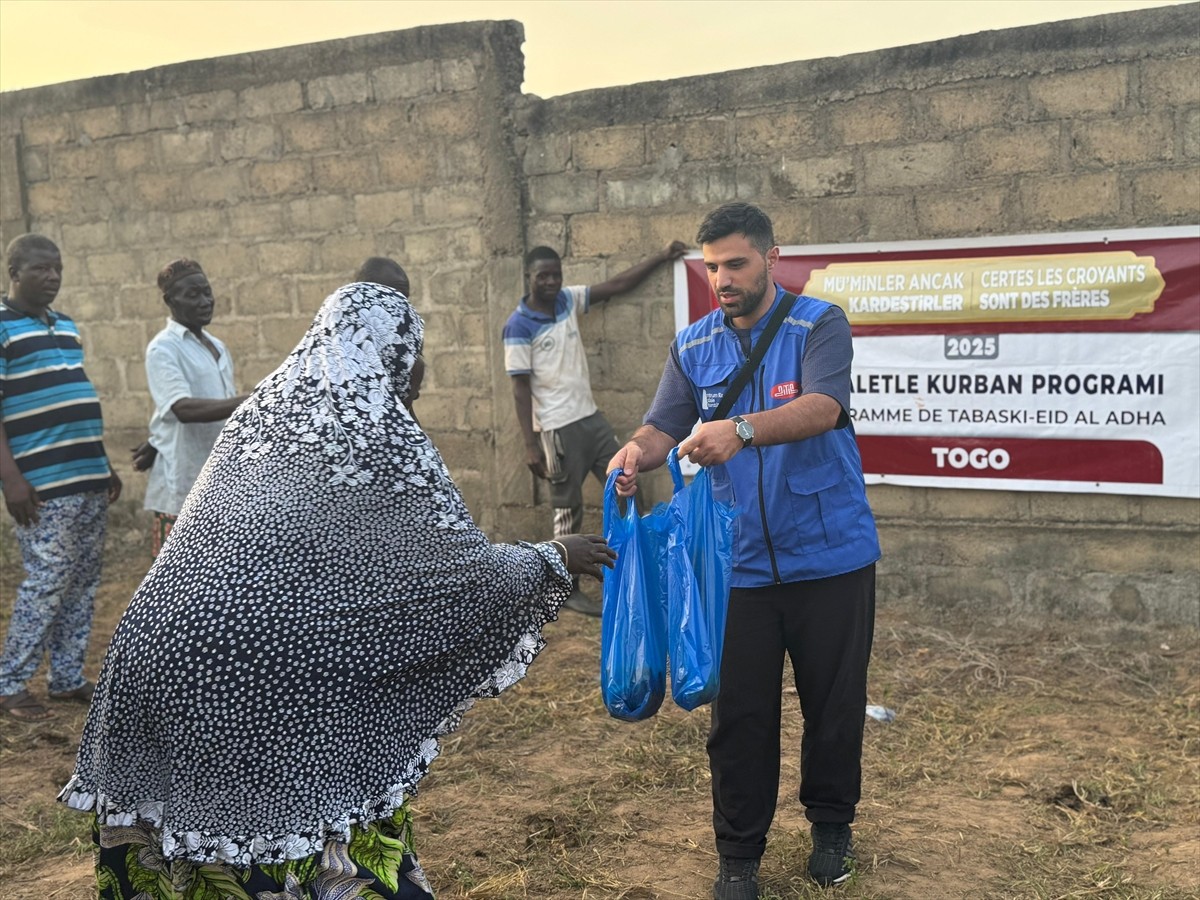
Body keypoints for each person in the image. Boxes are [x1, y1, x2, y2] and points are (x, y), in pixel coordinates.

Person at [60, 280, 615, 899]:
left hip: (149, 655)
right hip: (246, 679)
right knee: (298, 829)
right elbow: (456, 580)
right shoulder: (376, 436)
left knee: (182, 851)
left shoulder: (261, 415)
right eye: (417, 351)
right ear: (394, 354)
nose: (424, 371)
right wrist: (551, 558)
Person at [606, 203, 881, 897]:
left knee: (834, 706)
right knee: (740, 720)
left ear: (771, 257)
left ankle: (831, 830)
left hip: (831, 554)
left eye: (735, 264)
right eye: (710, 267)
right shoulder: (693, 345)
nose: (721, 279)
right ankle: (738, 857)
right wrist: (636, 453)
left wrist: (743, 430)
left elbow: (824, 406)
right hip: (736, 568)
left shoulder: (818, 324)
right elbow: (664, 425)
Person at [504, 240, 686, 616]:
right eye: (543, 276)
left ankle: (633, 566)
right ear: (528, 278)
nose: (551, 281)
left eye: (556, 274)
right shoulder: (518, 326)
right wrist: (530, 444)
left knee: (625, 480)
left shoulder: (568, 300)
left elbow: (617, 286)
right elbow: (520, 391)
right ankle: (565, 587)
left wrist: (661, 255)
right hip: (556, 428)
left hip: (591, 419)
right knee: (566, 509)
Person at [0, 234, 122, 721]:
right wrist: (11, 479)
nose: (52, 277)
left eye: (58, 269)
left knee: (82, 581)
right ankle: (9, 685)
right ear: (14, 271)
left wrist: (104, 462)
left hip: (88, 475)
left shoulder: (66, 325)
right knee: (47, 581)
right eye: (40, 269)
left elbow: (77, 398)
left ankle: (66, 678)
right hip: (41, 484)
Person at [138, 259, 247, 556]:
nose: (205, 301)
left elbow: (203, 401)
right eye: (192, 295)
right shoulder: (163, 348)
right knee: (178, 583)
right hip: (184, 483)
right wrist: (248, 401)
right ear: (169, 301)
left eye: (207, 292)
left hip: (220, 481)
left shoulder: (217, 346)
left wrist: (155, 437)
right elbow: (181, 409)